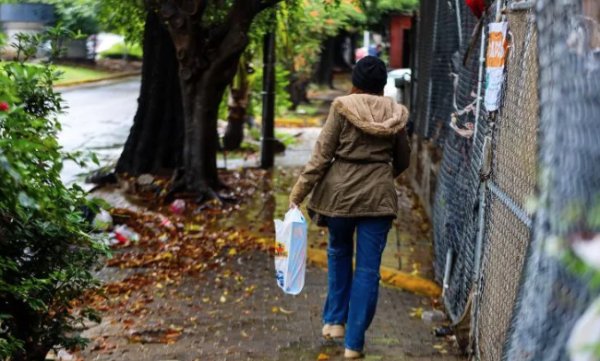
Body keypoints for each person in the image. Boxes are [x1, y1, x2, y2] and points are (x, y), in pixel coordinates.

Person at [289, 56, 411, 359]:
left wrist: (297, 195)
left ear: (354, 82)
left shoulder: (341, 107)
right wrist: (379, 176)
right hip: (379, 199)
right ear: (382, 84)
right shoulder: (396, 114)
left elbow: (321, 157)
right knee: (368, 271)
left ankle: (333, 323)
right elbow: (404, 159)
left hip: (340, 197)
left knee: (339, 251)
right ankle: (354, 345)